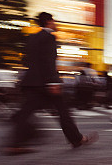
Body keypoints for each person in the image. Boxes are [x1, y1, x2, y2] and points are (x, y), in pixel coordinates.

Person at [6, 12, 97, 155]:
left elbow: (25, 60)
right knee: (63, 111)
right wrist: (53, 82)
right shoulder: (49, 38)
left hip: (31, 81)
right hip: (46, 83)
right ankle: (76, 139)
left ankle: (14, 144)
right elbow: (48, 61)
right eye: (54, 21)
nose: (56, 24)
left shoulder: (31, 37)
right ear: (49, 22)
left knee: (26, 112)